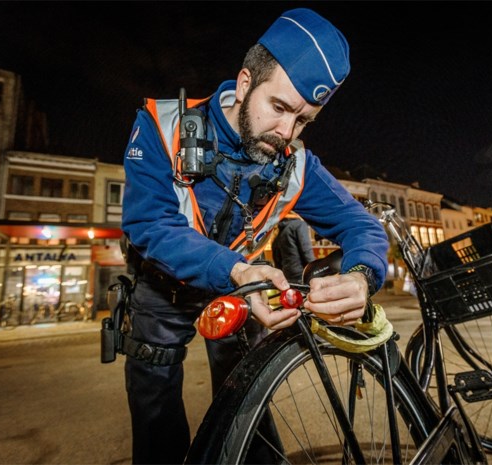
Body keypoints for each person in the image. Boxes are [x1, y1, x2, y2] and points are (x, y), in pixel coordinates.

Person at [119, 8, 390, 464]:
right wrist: (238, 269)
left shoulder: (298, 162)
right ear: (245, 83)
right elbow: (150, 225)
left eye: (304, 121)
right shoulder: (161, 125)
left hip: (246, 293)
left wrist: (362, 276)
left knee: (249, 403)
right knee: (156, 414)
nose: (287, 133)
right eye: (279, 108)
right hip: (164, 292)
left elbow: (361, 224)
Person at [272, 213, 316, 282]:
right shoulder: (299, 225)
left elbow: (276, 257)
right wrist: (315, 269)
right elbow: (306, 250)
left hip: (287, 274)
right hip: (301, 273)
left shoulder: (280, 231)